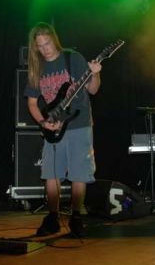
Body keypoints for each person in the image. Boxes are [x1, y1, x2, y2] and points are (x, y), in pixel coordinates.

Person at [24, 22, 101, 237]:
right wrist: (43, 122)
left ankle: (76, 217)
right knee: (51, 174)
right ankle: (52, 217)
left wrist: (95, 74)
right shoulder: (37, 68)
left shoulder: (72, 58)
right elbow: (32, 103)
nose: (45, 49)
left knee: (79, 174)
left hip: (79, 124)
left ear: (54, 40)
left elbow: (93, 90)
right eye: (40, 46)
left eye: (47, 44)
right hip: (53, 127)